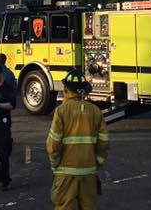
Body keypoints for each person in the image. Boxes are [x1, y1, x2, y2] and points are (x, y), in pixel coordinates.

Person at [46, 69, 109, 210]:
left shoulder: (61, 111)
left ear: (67, 89)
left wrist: (54, 164)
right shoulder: (95, 111)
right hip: (89, 172)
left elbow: (53, 144)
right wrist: (97, 163)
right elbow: (104, 142)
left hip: (66, 173)